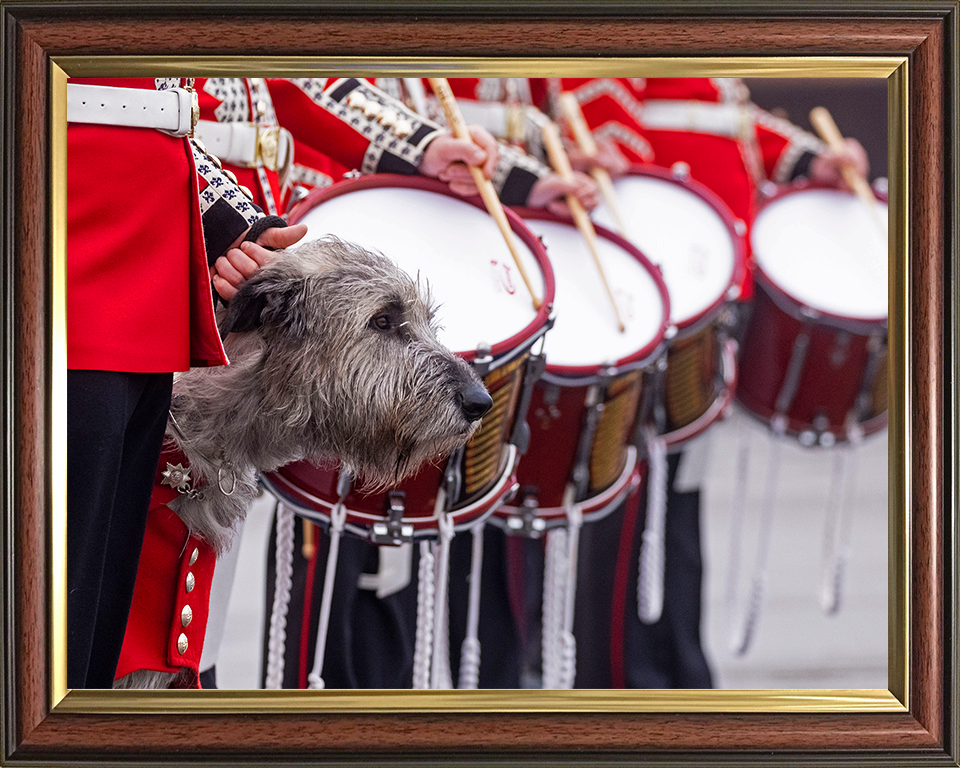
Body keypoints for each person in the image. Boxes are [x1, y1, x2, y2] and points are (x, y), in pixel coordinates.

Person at [553, 76, 871, 688]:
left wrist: (811, 158)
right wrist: (630, 171)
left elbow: (735, 122)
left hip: (711, 283)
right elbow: (594, 103)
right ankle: (623, 675)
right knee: (630, 487)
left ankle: (676, 660)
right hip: (655, 273)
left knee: (679, 490)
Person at [66, 76, 307, 689]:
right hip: (67, 260)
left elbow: (155, 113)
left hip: (143, 271)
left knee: (89, 620)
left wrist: (225, 220)